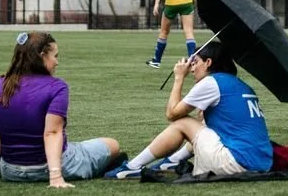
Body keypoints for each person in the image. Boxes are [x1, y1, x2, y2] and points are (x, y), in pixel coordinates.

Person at [0, 32, 123, 188]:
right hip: (51, 166)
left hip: (10, 171)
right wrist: (55, 176)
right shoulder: (57, 87)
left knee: (77, 146)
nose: (57, 62)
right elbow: (52, 132)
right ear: (43, 55)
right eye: (55, 56)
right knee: (112, 144)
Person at [105, 40, 272, 179]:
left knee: (183, 122)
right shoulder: (243, 85)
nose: (192, 68)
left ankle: (133, 166)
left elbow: (172, 114)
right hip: (261, 163)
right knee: (203, 123)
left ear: (208, 63)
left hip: (236, 163)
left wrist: (178, 78)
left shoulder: (211, 82)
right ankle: (172, 160)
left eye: (195, 62)